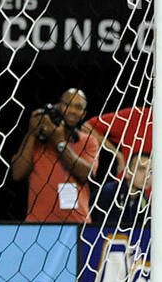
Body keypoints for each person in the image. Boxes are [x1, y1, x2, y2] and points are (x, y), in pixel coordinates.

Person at [9, 88, 102, 223]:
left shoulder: (89, 141)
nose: (72, 111)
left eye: (78, 107)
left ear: (83, 114)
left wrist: (59, 142)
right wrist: (32, 133)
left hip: (77, 225)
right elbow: (17, 174)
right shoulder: (38, 140)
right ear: (58, 106)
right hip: (38, 224)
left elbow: (85, 175)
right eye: (67, 104)